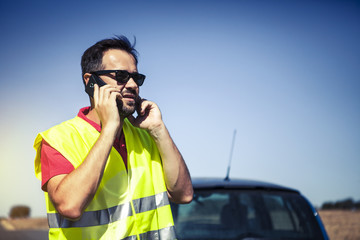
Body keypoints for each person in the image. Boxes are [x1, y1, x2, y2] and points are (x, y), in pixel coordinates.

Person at [34, 35, 193, 239]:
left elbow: (184, 195)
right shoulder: (58, 139)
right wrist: (109, 129)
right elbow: (69, 206)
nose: (132, 85)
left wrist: (159, 129)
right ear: (91, 81)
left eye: (136, 78)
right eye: (120, 76)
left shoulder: (147, 135)